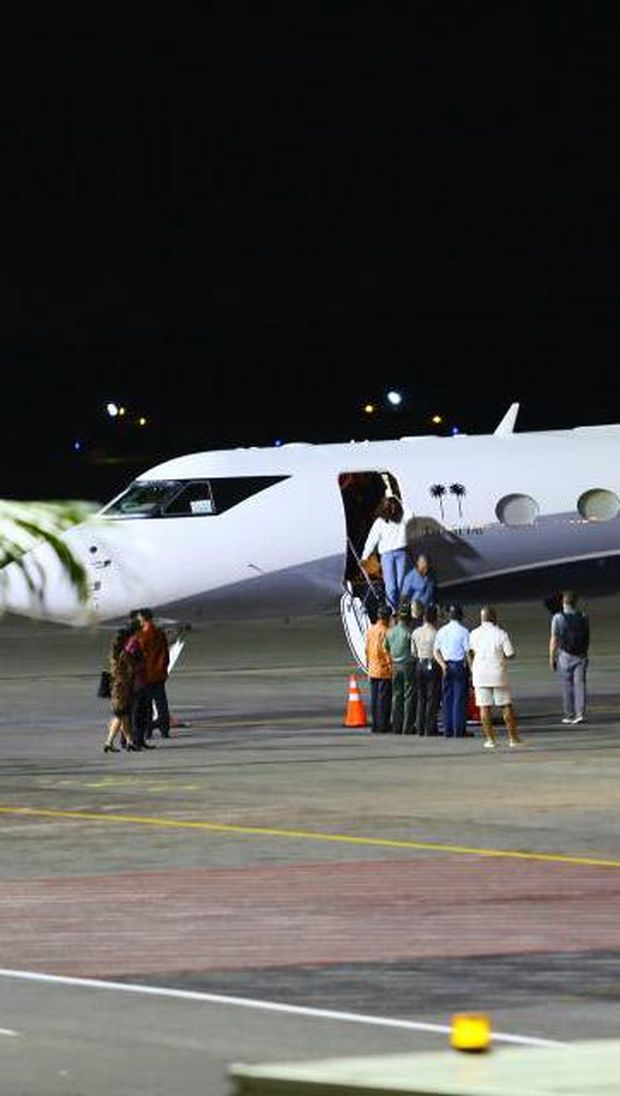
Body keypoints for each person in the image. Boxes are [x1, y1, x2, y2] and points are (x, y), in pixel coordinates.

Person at [468, 606, 523, 749]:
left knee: (484, 707)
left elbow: (469, 652)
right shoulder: (501, 634)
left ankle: (490, 740)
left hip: (480, 674)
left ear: (482, 618)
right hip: (497, 673)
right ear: (494, 618)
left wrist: (472, 667)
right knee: (505, 705)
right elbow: (510, 653)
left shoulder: (473, 634)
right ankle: (513, 738)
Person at [361, 494, 413, 611]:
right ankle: (392, 611)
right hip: (387, 556)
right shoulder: (379, 522)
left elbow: (411, 514)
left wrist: (398, 501)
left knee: (401, 584)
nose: (393, 508)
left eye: (395, 505)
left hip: (402, 553)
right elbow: (371, 540)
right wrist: (365, 556)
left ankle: (404, 610)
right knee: (391, 587)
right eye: (390, 505)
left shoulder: (403, 518)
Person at [549, 590, 590, 725]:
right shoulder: (584, 616)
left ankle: (569, 714)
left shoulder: (558, 618)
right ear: (575, 602)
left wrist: (551, 658)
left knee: (567, 685)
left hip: (565, 655)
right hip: (581, 655)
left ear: (563, 602)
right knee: (580, 684)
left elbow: (554, 639)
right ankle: (580, 714)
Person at [433, 604, 470, 738]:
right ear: (460, 616)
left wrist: (442, 665)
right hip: (459, 666)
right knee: (459, 699)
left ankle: (447, 729)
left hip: (446, 666)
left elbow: (435, 651)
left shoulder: (441, 631)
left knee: (447, 699)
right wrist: (472, 670)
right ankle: (458, 730)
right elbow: (467, 653)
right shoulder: (464, 631)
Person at [134, 607, 171, 740]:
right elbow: (165, 653)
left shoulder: (141, 636)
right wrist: (163, 667)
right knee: (162, 703)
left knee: (147, 704)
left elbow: (138, 655)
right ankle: (164, 730)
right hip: (159, 673)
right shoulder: (160, 633)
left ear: (143, 618)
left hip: (146, 674)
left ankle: (147, 731)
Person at [103, 626, 138, 753]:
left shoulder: (112, 654)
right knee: (121, 716)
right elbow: (131, 670)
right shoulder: (125, 654)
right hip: (123, 689)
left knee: (123, 717)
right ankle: (110, 742)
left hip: (114, 690)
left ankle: (128, 742)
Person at [384, 603, 416, 734]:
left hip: (395, 665)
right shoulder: (410, 633)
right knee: (408, 695)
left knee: (396, 695)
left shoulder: (390, 632)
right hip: (408, 665)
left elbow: (385, 647)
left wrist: (391, 658)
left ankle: (396, 725)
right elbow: (415, 652)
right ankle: (407, 726)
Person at [411, 604, 442, 735]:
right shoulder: (437, 633)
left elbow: (413, 652)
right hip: (432, 664)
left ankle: (420, 727)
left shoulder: (416, 632)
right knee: (432, 698)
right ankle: (430, 728)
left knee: (421, 697)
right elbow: (440, 652)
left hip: (420, 664)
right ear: (435, 619)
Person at [364, 604, 393, 733]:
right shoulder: (386, 632)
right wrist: (391, 665)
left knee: (374, 699)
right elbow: (386, 651)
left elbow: (366, 649)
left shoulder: (371, 630)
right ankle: (383, 725)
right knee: (384, 700)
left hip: (372, 668)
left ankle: (375, 724)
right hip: (384, 670)